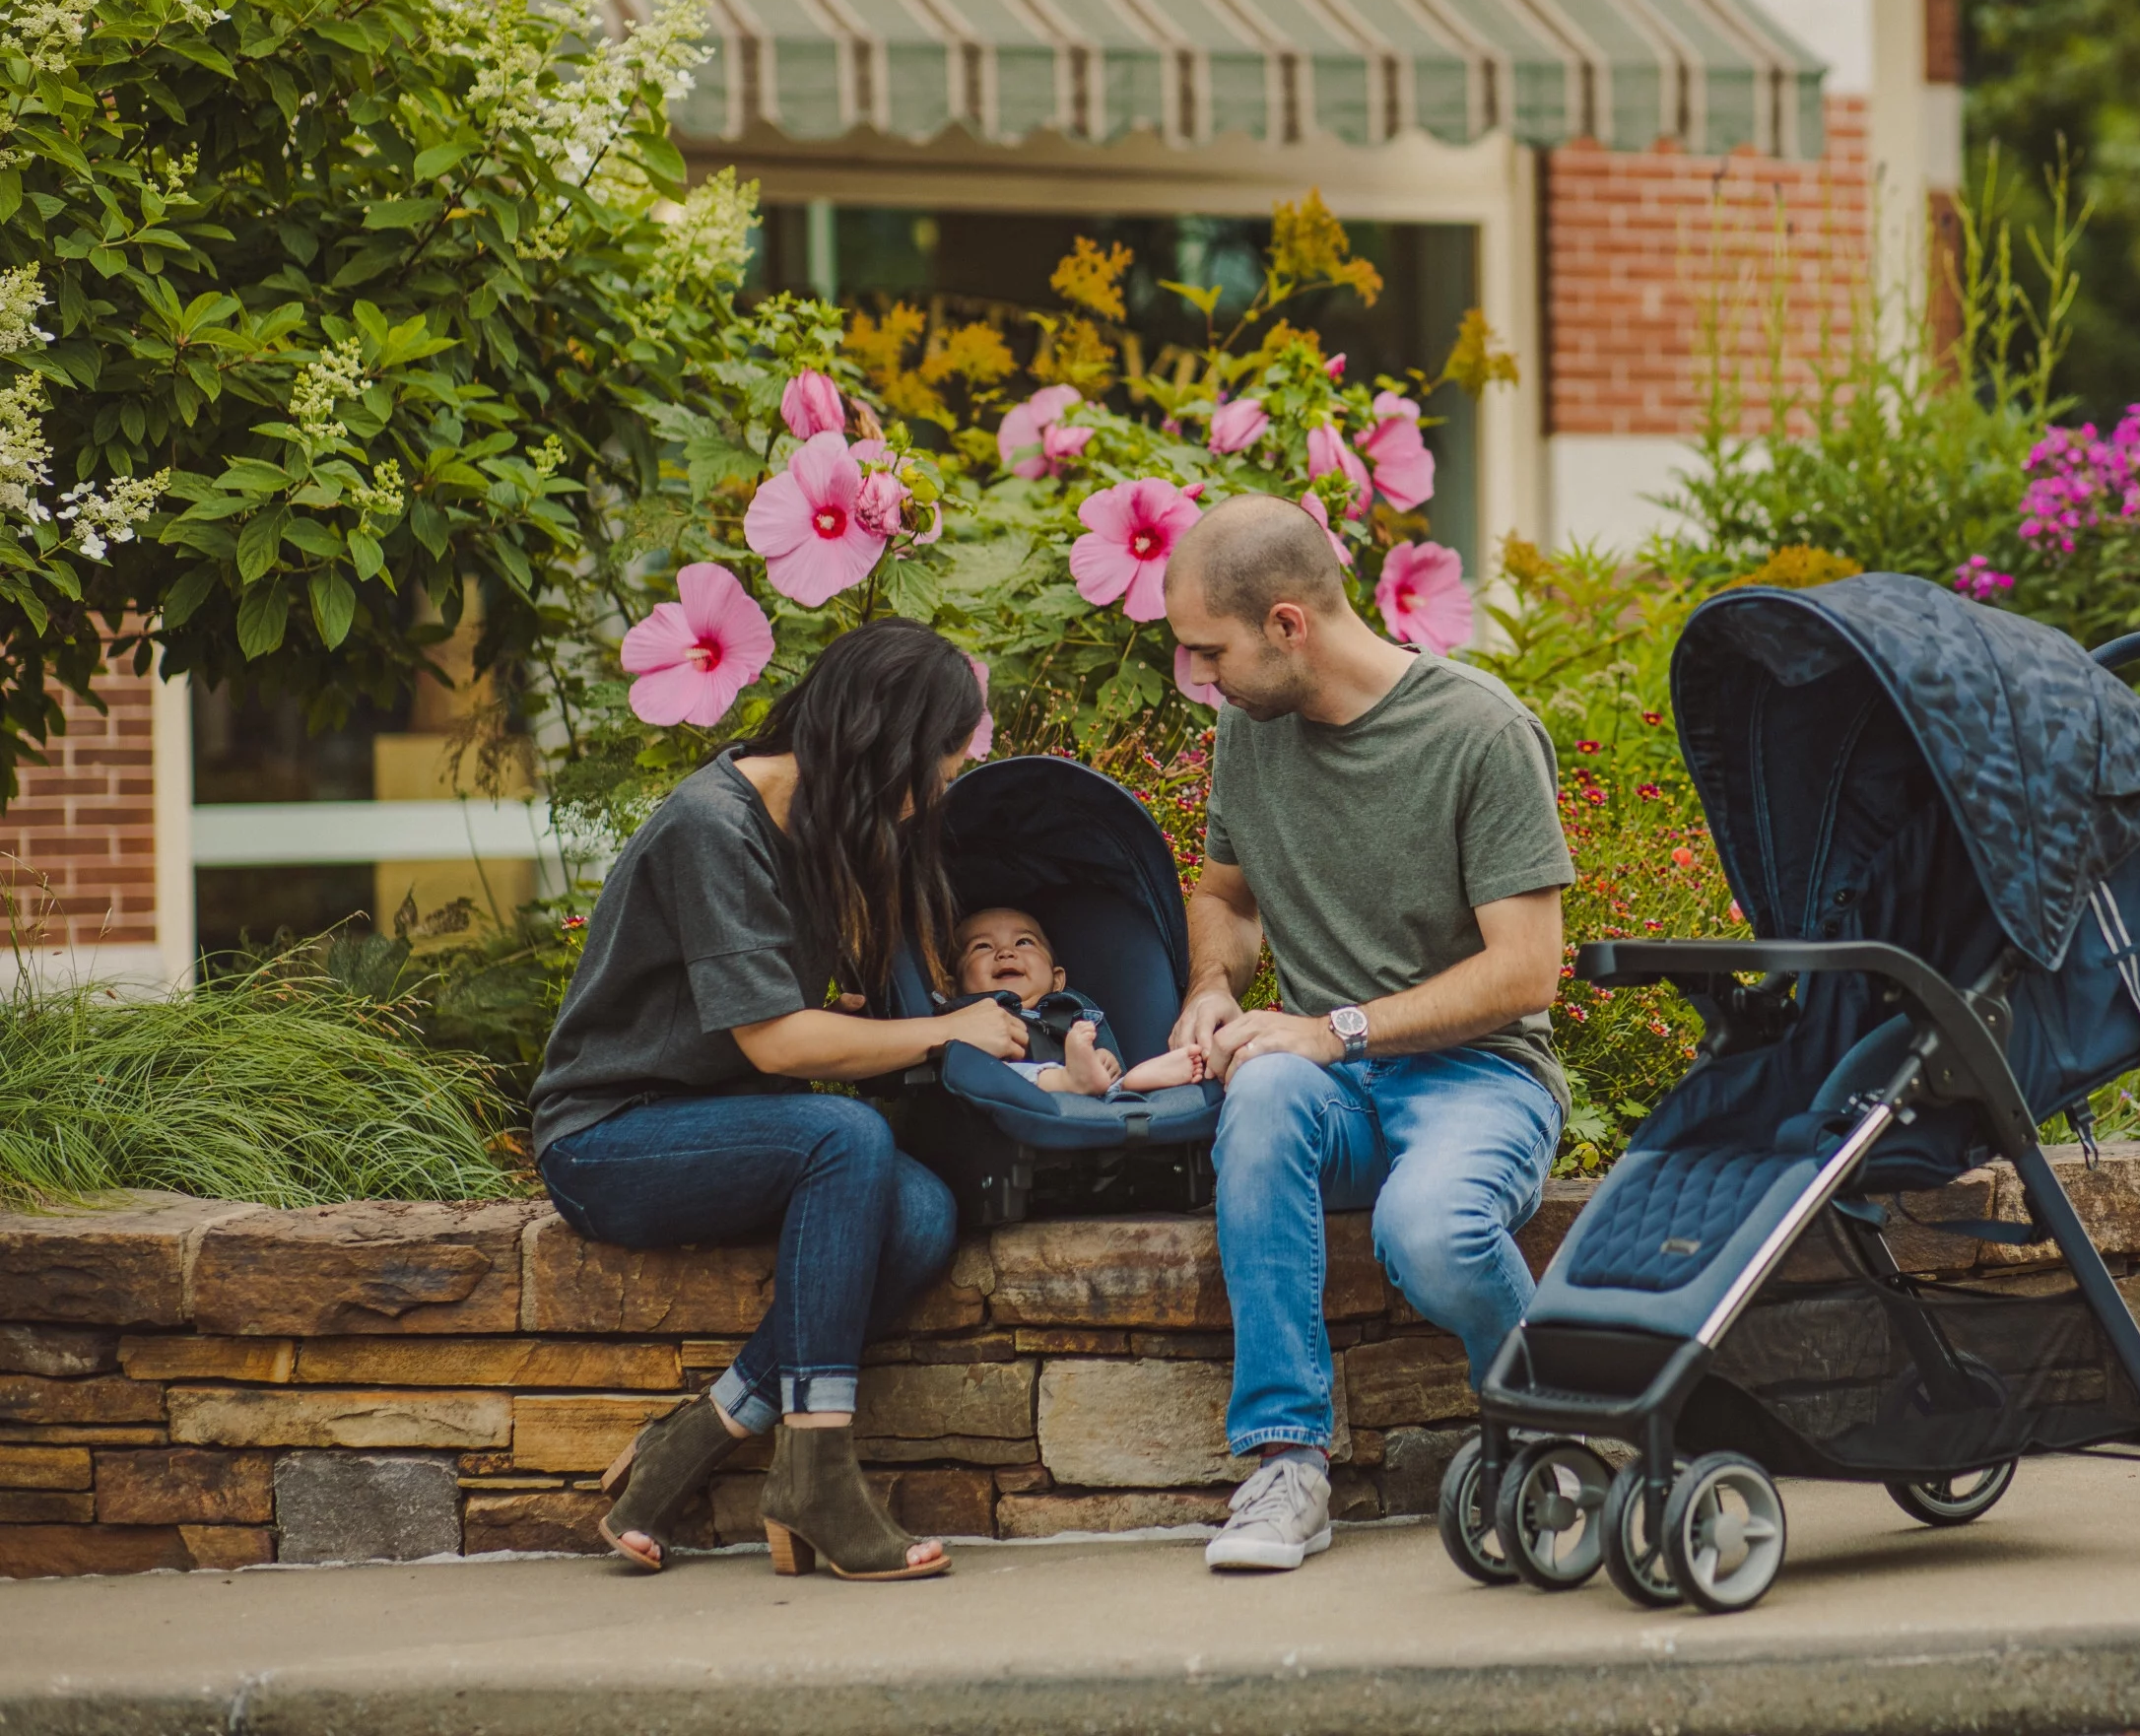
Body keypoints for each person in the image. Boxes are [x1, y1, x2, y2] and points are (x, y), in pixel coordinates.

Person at [528, 620, 1022, 1581]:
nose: (939, 793)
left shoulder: (813, 822)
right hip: (607, 1139)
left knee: (922, 1214)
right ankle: (817, 1468)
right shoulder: (712, 825)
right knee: (846, 1133)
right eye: (940, 767)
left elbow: (768, 1010)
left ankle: (704, 1429)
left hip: (713, 1120)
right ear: (885, 745)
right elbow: (779, 1041)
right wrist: (944, 1029)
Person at [1165, 495, 1573, 1572]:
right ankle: (1286, 1464)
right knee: (1258, 1091)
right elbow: (1228, 896)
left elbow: (1527, 969)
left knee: (1434, 1235)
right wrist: (1214, 984)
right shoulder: (1250, 732)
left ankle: (1549, 1420)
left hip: (1478, 1074)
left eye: (1211, 651)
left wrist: (1334, 1028)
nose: (1202, 676)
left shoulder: (1479, 730)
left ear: (1288, 624)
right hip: (1333, 1080)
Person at [949, 904, 1207, 1096]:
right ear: (953, 987)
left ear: (1057, 979)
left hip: (1085, 1092)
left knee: (1103, 1075)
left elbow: (1094, 1057)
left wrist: (1104, 1061)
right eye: (982, 946)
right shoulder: (960, 1018)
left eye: (1023, 942)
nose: (1006, 953)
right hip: (1007, 1088)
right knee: (987, 1073)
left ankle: (1132, 1082)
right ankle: (1069, 1081)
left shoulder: (1072, 1013)